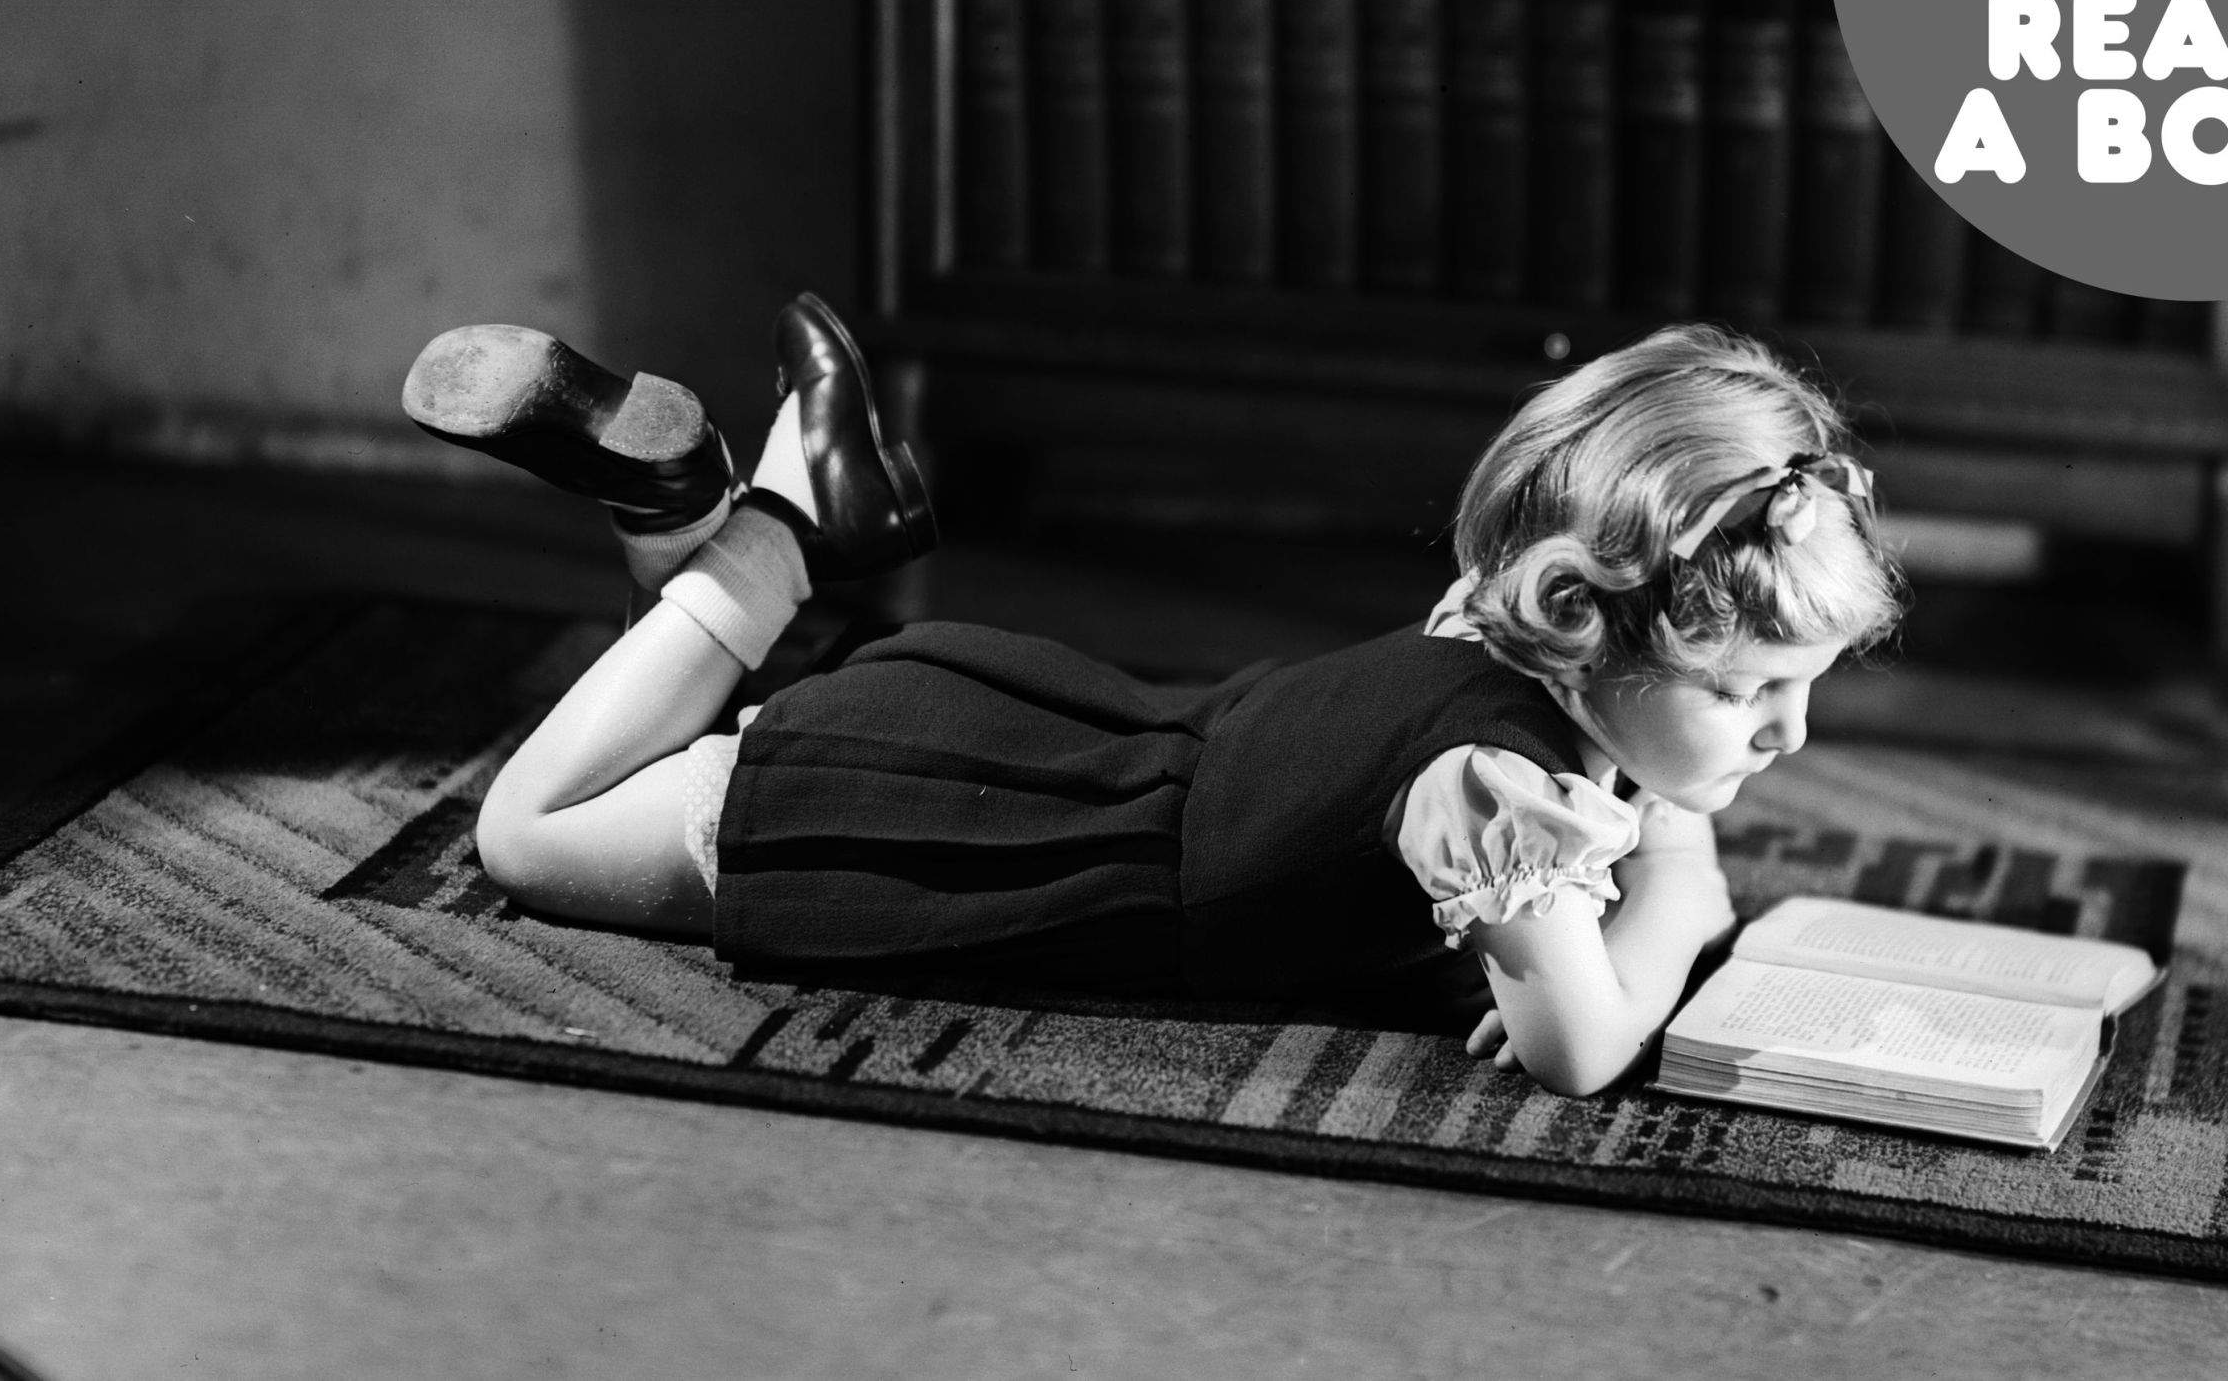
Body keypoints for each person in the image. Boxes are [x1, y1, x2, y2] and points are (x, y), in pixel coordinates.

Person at [400, 298, 1902, 1096]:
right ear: (1578, 621)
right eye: (1746, 688)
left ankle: (693, 518)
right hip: (964, 842)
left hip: (1024, 744)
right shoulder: (1496, 795)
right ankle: (776, 537)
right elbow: (1582, 1052)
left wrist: (1650, 830)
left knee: (721, 715)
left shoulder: (1491, 632)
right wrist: (1681, 890)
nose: (1789, 735)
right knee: (533, 832)